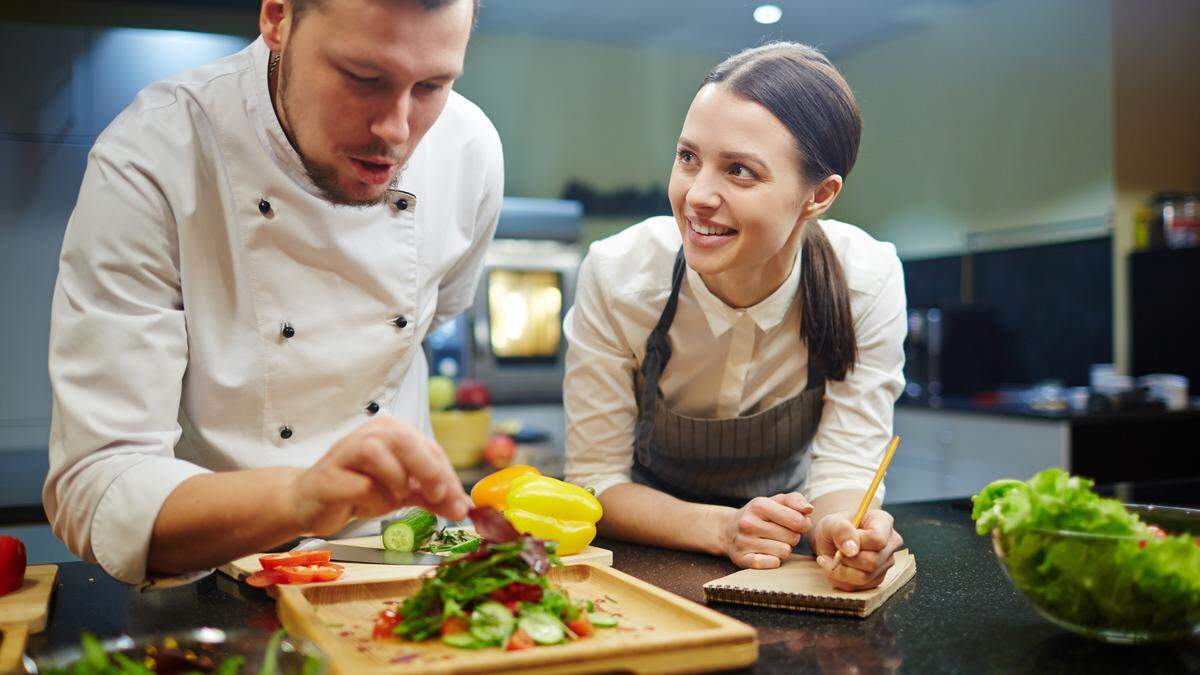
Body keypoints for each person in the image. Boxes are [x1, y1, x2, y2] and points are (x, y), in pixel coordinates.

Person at [44, 0, 499, 585]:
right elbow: (97, 486)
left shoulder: (470, 151)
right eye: (364, 79)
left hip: (398, 564)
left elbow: (438, 318)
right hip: (210, 569)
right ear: (278, 17)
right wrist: (302, 495)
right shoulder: (155, 153)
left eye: (433, 85)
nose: (396, 129)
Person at [563, 42, 906, 591]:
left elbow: (843, 470)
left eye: (740, 171)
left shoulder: (865, 279)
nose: (696, 196)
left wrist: (844, 528)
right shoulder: (619, 274)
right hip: (643, 565)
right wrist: (723, 529)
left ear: (819, 194)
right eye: (688, 157)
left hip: (782, 566)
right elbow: (595, 482)